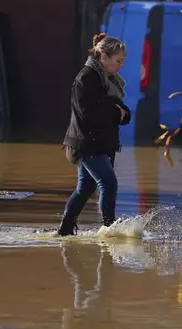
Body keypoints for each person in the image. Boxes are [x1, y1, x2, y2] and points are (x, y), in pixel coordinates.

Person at [54, 33, 132, 236]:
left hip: (103, 143)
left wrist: (120, 112)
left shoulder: (111, 80)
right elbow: (89, 113)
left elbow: (124, 113)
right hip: (86, 143)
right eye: (118, 61)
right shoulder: (86, 78)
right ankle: (109, 230)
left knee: (85, 188)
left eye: (122, 61)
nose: (121, 66)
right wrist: (116, 112)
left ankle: (64, 230)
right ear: (103, 56)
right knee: (108, 182)